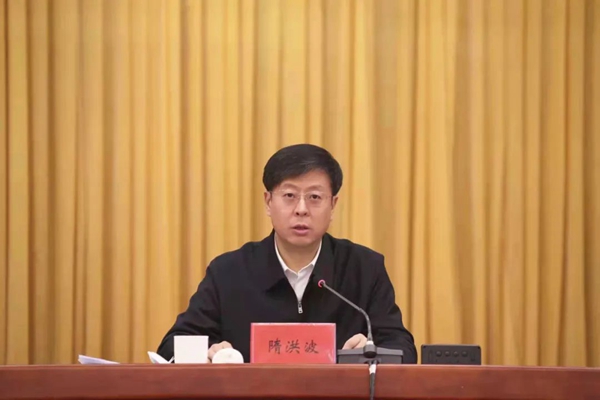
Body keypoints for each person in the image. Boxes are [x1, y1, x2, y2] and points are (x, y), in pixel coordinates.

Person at [156, 144, 417, 363]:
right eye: (290, 195)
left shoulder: (364, 268)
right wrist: (209, 353)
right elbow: (172, 346)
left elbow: (403, 349)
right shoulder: (229, 271)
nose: (301, 209)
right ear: (268, 202)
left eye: (314, 197)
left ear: (333, 205)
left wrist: (371, 352)